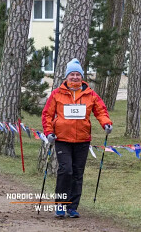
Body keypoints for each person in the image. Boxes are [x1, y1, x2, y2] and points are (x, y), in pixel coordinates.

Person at [42, 59, 113, 218]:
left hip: (82, 140)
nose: (75, 77)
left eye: (77, 74)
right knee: (66, 170)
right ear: (67, 77)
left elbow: (100, 111)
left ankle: (72, 207)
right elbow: (47, 114)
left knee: (77, 174)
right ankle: (60, 204)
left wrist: (106, 123)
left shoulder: (90, 94)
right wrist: (48, 133)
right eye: (72, 74)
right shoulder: (57, 93)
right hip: (62, 139)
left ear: (82, 76)